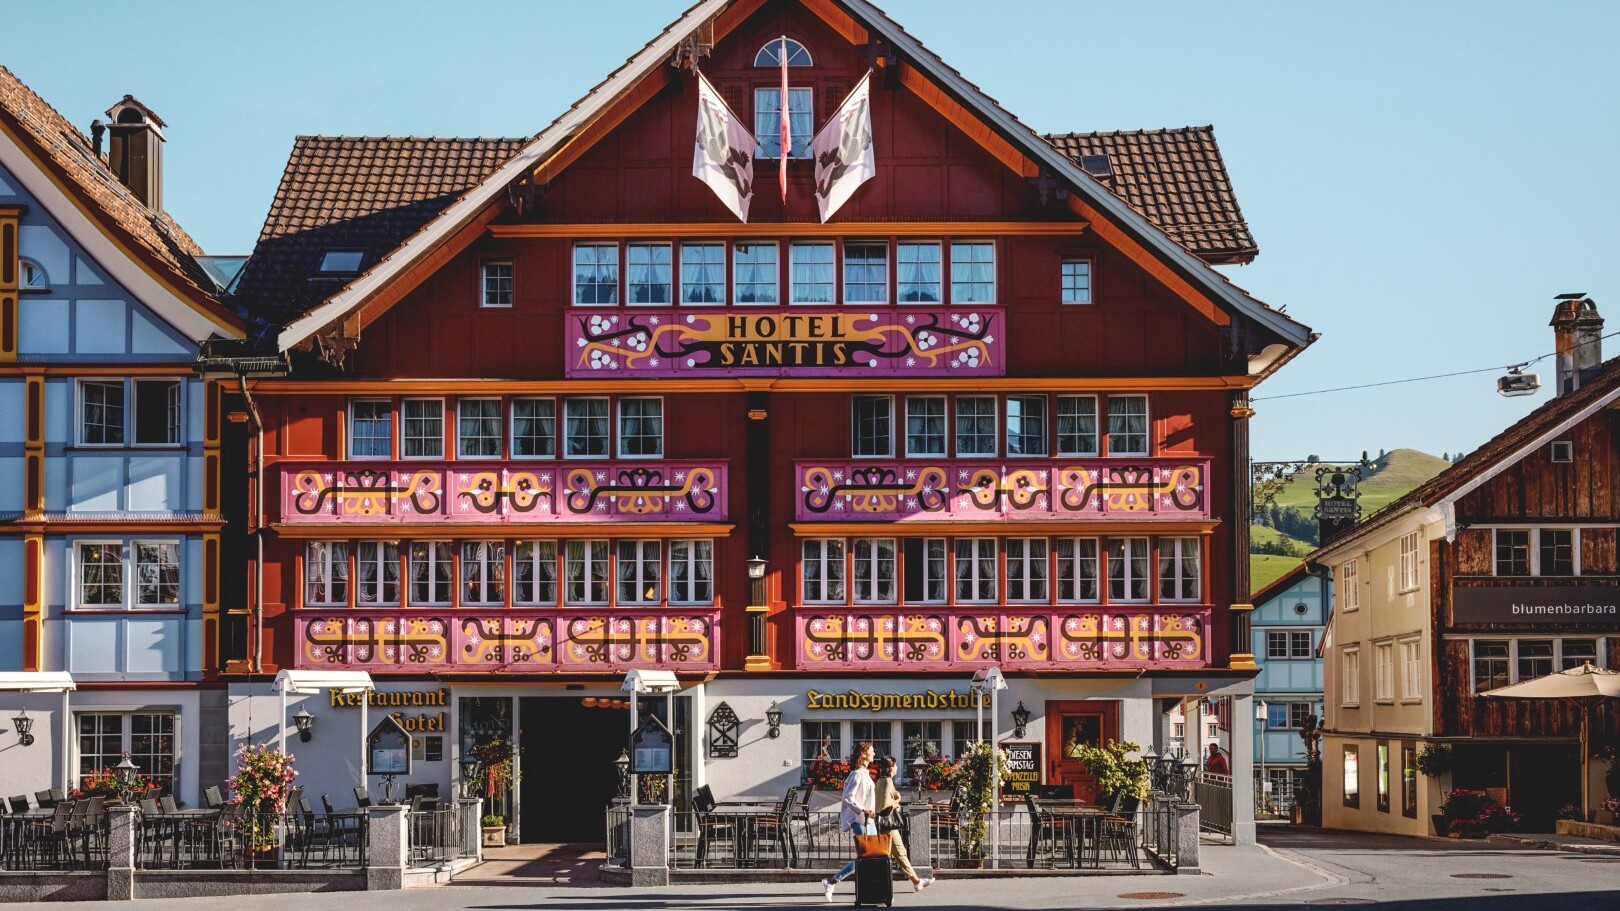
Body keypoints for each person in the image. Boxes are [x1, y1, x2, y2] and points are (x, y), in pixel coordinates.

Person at [822, 741, 876, 901]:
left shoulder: (864, 773)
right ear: (864, 754)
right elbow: (847, 797)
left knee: (872, 856)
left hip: (868, 820)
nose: (874, 754)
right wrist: (863, 810)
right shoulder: (857, 774)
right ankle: (833, 881)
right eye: (872, 751)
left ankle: (871, 888)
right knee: (866, 856)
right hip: (860, 820)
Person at [875, 756, 932, 891]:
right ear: (891, 768)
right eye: (895, 766)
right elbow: (883, 807)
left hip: (885, 825)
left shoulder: (882, 781)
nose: (897, 768)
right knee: (899, 853)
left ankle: (915, 881)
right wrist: (897, 801)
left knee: (893, 855)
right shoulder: (887, 782)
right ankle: (916, 882)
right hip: (888, 825)